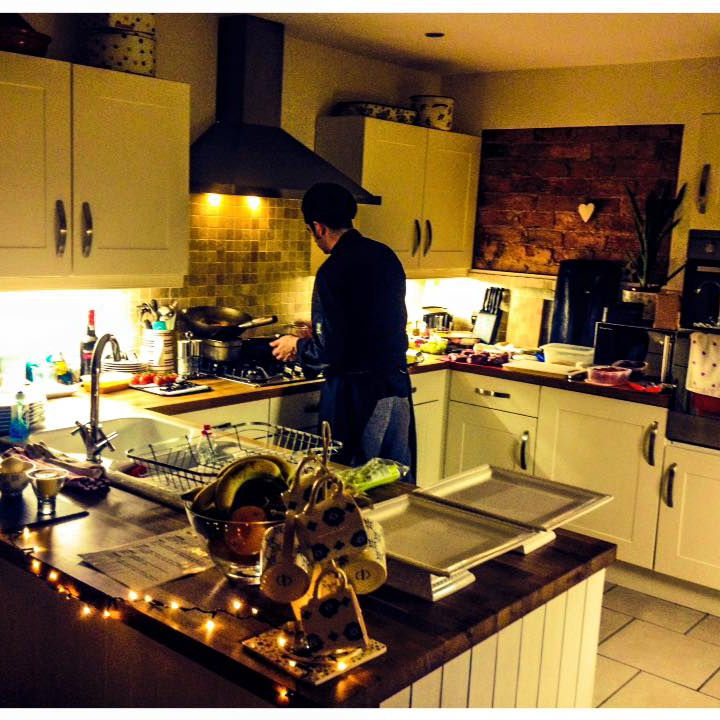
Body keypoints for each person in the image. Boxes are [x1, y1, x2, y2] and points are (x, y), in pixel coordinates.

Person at [270, 182, 416, 480]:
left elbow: (330, 353)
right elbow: (371, 321)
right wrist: (322, 332)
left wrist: (296, 345)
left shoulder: (333, 270)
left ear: (318, 227)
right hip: (396, 387)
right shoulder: (384, 255)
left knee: (349, 484)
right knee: (396, 479)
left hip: (359, 396)